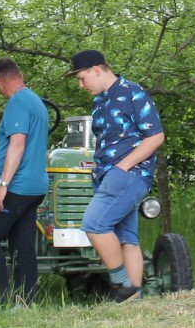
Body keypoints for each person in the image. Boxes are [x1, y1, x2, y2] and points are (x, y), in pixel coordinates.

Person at [66, 49, 165, 303]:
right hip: (106, 175)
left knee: (94, 225)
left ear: (96, 70)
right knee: (127, 239)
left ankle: (122, 285)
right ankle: (134, 301)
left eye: (81, 78)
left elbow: (155, 136)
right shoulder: (100, 101)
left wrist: (123, 167)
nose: (80, 85)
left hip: (127, 174)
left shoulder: (133, 92)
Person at [0, 58, 50, 304]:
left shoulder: (16, 102)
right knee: (22, 243)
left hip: (17, 187)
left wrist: (2, 186)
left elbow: (17, 144)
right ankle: (26, 301)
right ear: (20, 74)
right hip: (36, 187)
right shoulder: (37, 102)